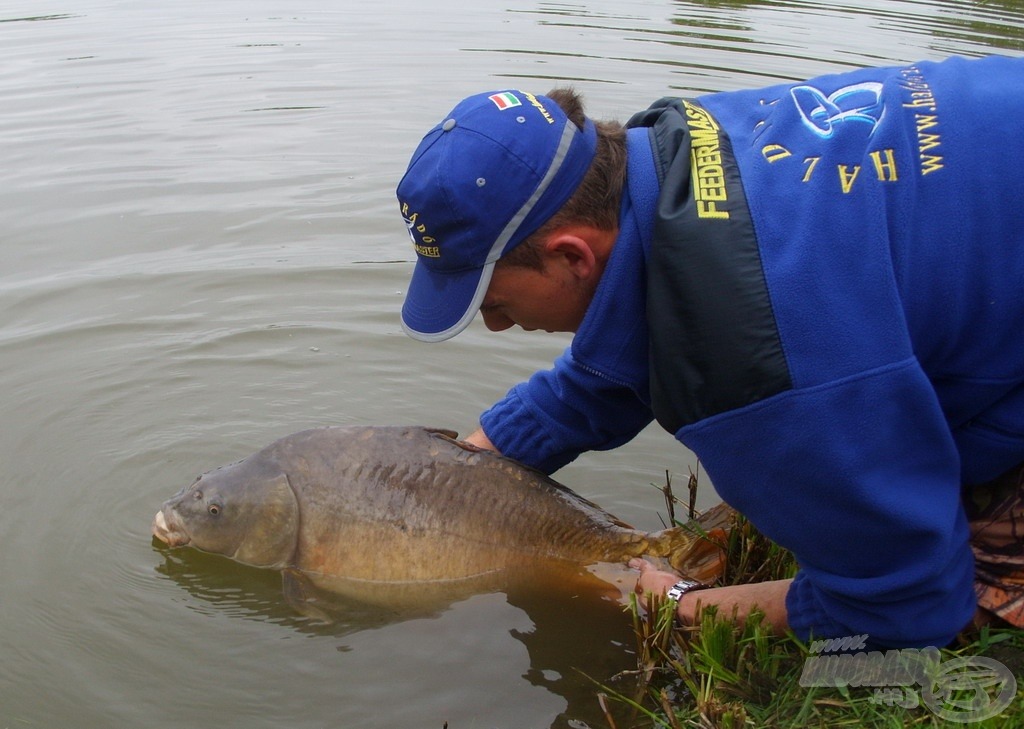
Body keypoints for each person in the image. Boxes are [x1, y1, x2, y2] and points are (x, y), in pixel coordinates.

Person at [394, 55, 1024, 649]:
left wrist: (676, 603)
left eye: (493, 299)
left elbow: (909, 607)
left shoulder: (755, 362)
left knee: (942, 593)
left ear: (570, 256)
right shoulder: (679, 150)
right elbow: (634, 326)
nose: (497, 325)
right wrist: (456, 474)